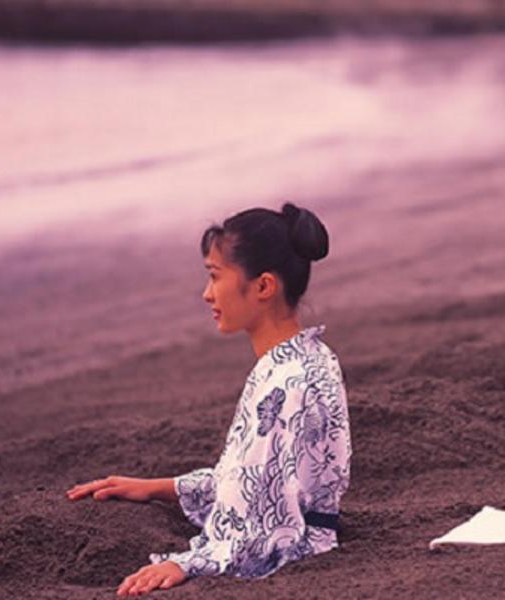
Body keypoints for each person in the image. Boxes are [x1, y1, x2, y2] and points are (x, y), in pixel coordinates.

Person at [66, 204, 351, 597]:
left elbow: (268, 528)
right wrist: (158, 487)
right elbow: (249, 483)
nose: (206, 294)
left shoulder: (287, 385)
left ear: (264, 287)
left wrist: (185, 562)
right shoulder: (309, 358)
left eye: (215, 277)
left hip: (299, 549)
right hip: (303, 535)